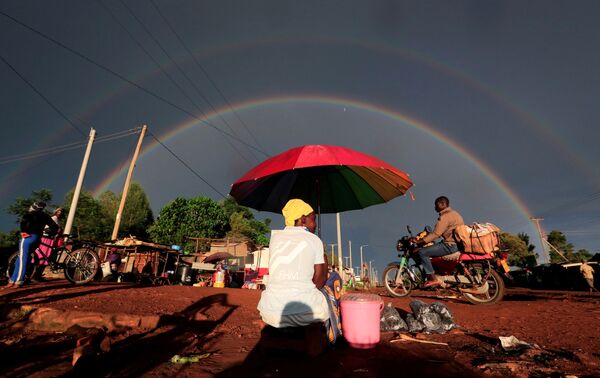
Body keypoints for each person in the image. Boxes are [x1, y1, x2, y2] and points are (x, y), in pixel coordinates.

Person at [258, 199, 341, 343]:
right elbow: (319, 283)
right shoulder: (314, 240)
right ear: (303, 219)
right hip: (303, 314)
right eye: (313, 219)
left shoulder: (275, 238)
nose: (314, 224)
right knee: (333, 280)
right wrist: (324, 259)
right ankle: (332, 336)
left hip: (269, 311)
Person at [413, 196, 464, 288]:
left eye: (436, 205)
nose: (435, 207)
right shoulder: (455, 214)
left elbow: (436, 234)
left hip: (450, 245)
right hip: (456, 244)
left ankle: (433, 278)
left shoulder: (445, 217)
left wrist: (419, 242)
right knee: (433, 248)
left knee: (422, 252)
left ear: (442, 204)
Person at [5, 202, 58, 289]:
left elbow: (23, 223)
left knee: (22, 259)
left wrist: (23, 232)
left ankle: (18, 281)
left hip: (28, 238)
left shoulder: (29, 214)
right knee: (20, 259)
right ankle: (12, 280)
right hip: (37, 239)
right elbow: (55, 227)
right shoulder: (45, 216)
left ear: (33, 207)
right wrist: (50, 234)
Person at [32, 207, 64, 281]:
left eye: (61, 212)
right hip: (46, 239)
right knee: (41, 257)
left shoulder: (57, 220)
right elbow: (49, 229)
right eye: (59, 211)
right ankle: (34, 275)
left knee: (46, 258)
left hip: (50, 240)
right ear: (55, 212)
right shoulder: (54, 218)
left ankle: (37, 275)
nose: (60, 213)